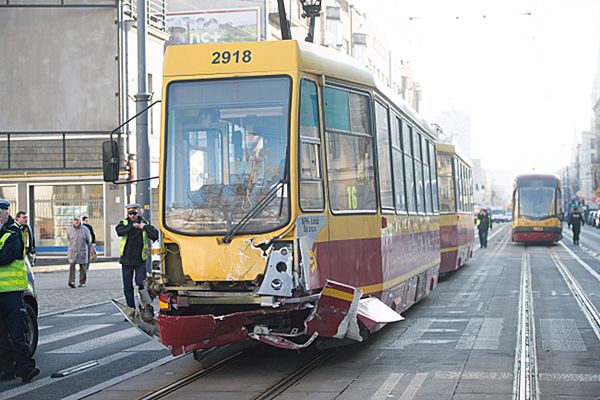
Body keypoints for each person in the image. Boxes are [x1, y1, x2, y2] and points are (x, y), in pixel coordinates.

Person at [0, 199, 39, 383]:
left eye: (2, 212)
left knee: (18, 331)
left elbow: (5, 257)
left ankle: (26, 369)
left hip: (13, 293)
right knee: (1, 333)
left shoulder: (13, 234)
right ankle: (6, 369)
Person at [116, 204, 158, 317]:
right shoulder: (124, 223)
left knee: (142, 284)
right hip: (126, 260)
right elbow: (119, 231)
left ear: (139, 212)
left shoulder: (144, 223)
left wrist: (143, 227)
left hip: (140, 260)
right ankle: (131, 310)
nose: (132, 215)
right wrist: (132, 227)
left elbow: (155, 235)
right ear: (127, 214)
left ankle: (145, 308)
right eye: (130, 213)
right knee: (128, 286)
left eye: (134, 213)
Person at [67, 216, 91, 288]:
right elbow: (68, 239)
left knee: (83, 267)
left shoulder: (85, 229)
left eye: (77, 220)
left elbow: (89, 240)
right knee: (72, 266)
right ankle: (71, 281)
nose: (76, 222)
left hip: (82, 250)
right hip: (73, 251)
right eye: (75, 220)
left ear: (80, 221)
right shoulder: (70, 229)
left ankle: (82, 282)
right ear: (73, 221)